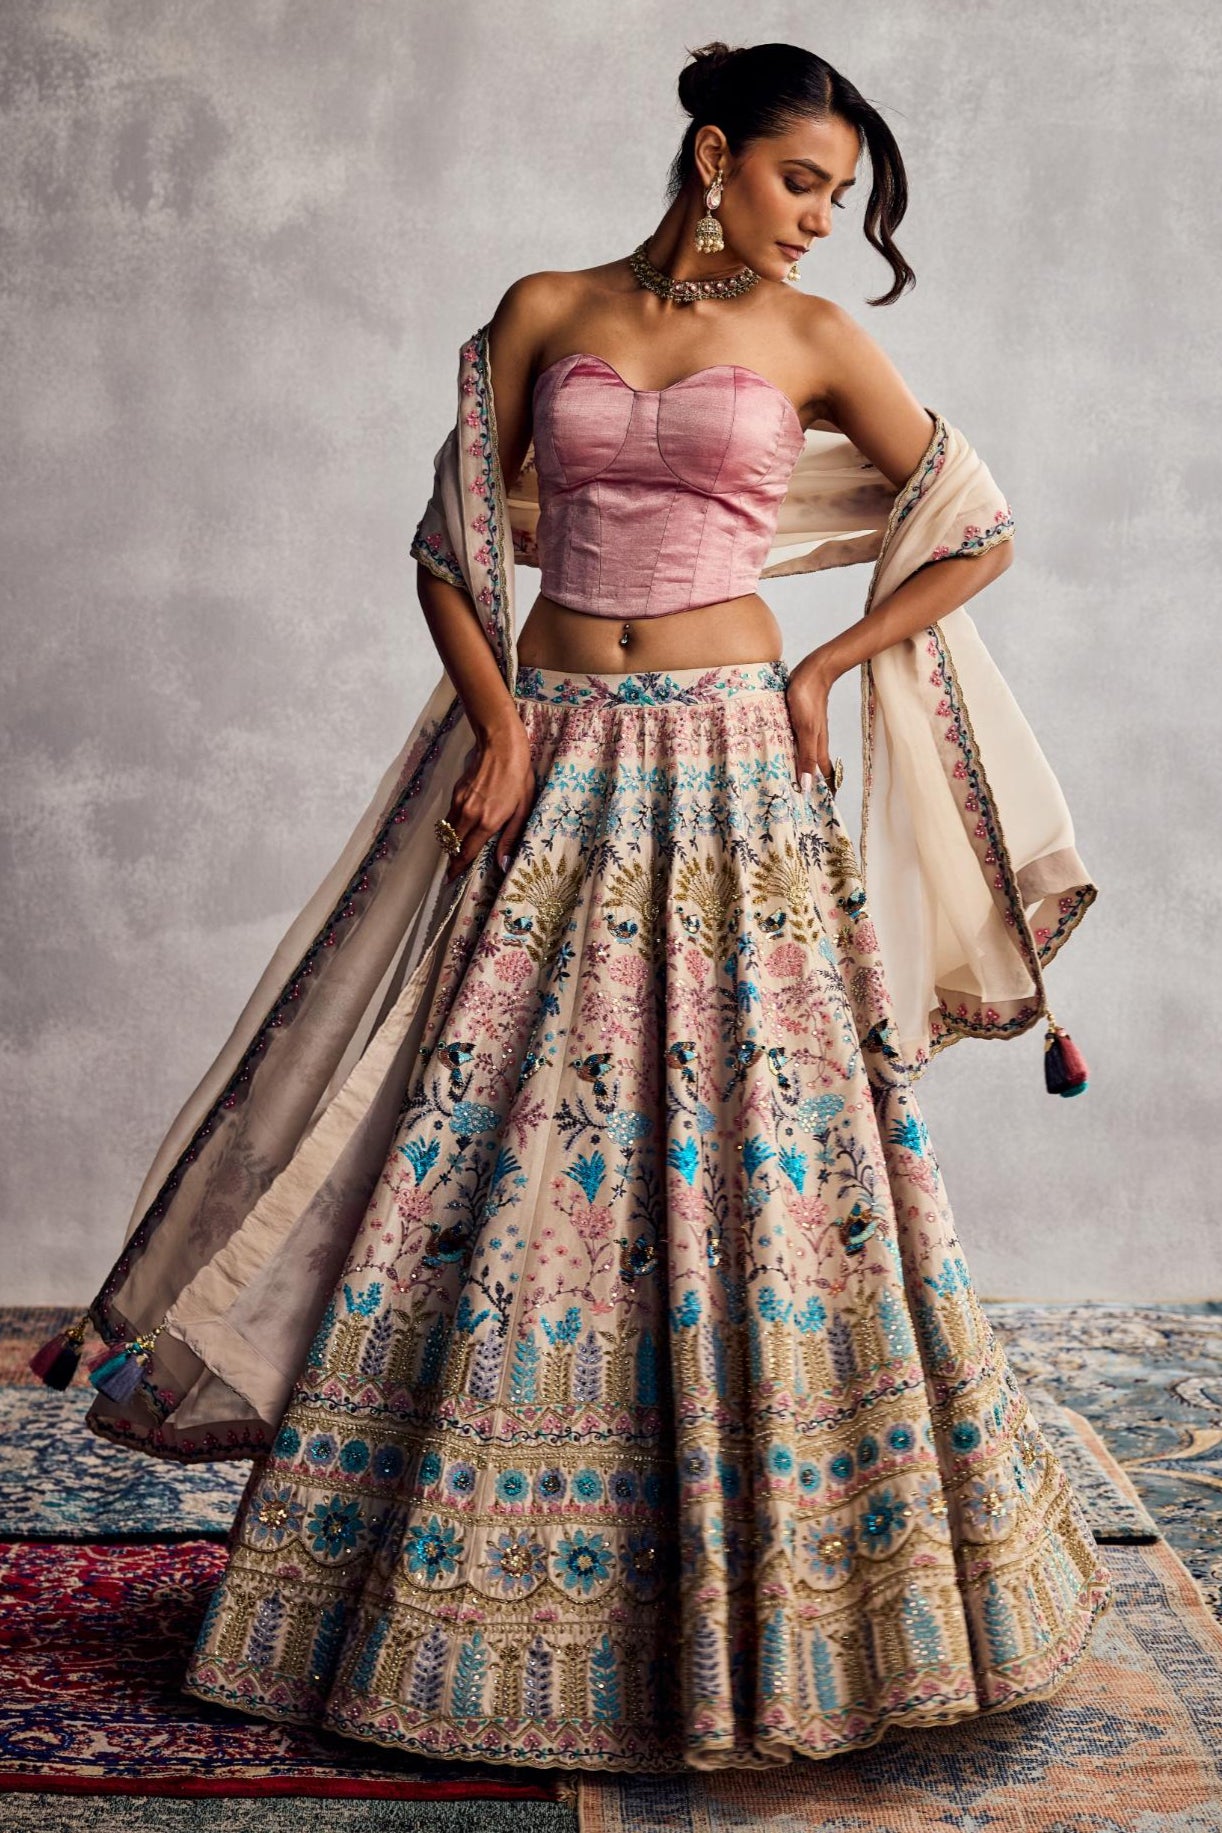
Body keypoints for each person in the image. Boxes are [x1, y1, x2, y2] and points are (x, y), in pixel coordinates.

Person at [32, 40, 1112, 1773]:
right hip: (558, 744)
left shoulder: (816, 337)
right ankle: (447, 1572)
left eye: (840, 198)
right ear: (713, 153)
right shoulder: (541, 309)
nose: (819, 220)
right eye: (800, 181)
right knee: (494, 1125)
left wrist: (825, 666)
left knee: (756, 1136)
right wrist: (500, 728)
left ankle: (788, 1584)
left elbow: (973, 528)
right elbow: (448, 549)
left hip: (731, 757)